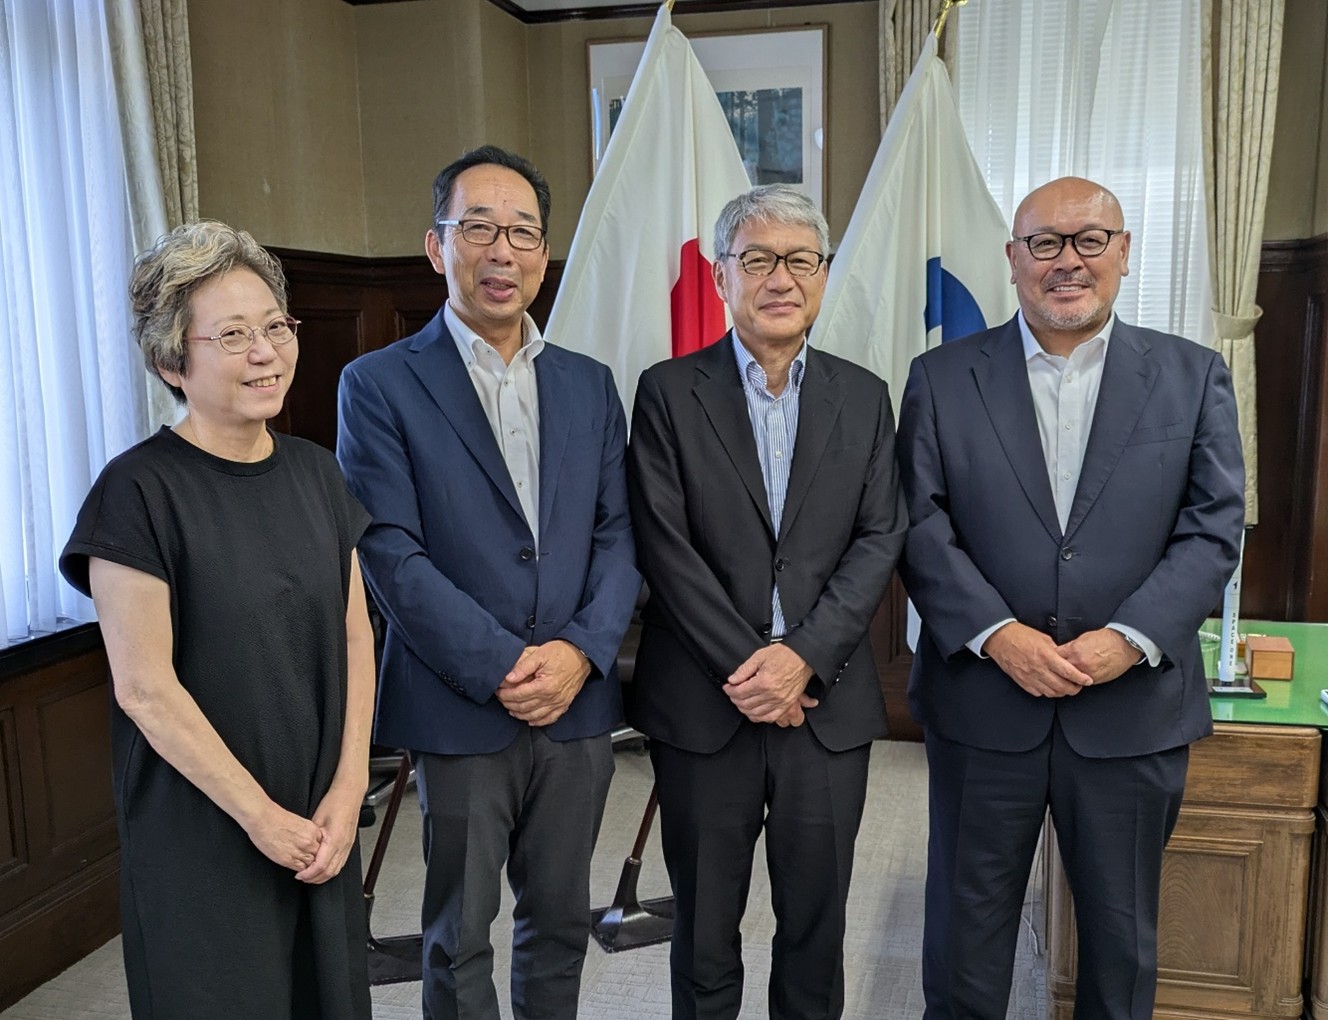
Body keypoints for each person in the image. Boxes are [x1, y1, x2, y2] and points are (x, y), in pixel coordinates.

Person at [898, 176, 1245, 1018]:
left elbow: (1214, 528)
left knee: (1121, 946)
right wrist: (996, 634)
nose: (1068, 261)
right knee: (965, 936)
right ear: (1013, 260)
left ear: (1124, 253)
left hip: (1131, 710)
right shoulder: (941, 377)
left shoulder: (1194, 376)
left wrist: (1128, 637)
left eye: (1090, 240)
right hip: (985, 702)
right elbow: (916, 523)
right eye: (1045, 243)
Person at [336, 144, 639, 1020]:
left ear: (545, 254)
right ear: (438, 247)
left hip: (577, 705)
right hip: (459, 700)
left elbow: (620, 538)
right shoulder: (379, 384)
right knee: (458, 933)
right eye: (479, 228)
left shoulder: (588, 384)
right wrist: (506, 665)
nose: (502, 252)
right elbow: (389, 551)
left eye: (523, 232)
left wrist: (580, 656)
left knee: (560, 921)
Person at [59, 222, 375, 1019]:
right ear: (172, 360)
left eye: (276, 327)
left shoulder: (315, 471)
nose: (266, 352)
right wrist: (263, 819)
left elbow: (354, 635)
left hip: (318, 820)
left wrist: (347, 788)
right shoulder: (135, 493)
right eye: (232, 335)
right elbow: (145, 691)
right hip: (203, 830)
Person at [626, 184, 906, 1020]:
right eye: (756, 259)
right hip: (705, 708)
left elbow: (878, 539)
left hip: (826, 706)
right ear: (721, 277)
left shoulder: (865, 396)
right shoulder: (668, 392)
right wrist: (753, 669)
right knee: (706, 929)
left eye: (799, 259)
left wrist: (800, 659)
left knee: (815, 931)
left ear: (822, 274)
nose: (779, 278)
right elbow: (663, 546)